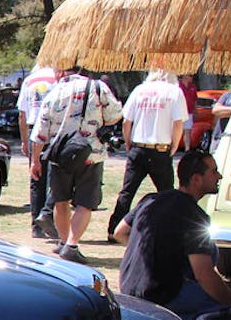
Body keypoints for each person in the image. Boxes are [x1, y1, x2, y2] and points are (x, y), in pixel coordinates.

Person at [115, 150, 231, 320]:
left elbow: (120, 232)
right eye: (214, 171)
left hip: (128, 287)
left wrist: (155, 251)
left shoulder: (151, 200)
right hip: (161, 295)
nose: (220, 176)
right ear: (196, 179)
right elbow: (204, 274)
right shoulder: (194, 215)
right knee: (224, 313)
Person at [29, 67, 123, 264]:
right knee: (85, 202)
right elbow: (115, 114)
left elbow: (40, 130)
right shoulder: (98, 87)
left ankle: (64, 242)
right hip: (90, 154)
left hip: (60, 153)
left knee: (60, 200)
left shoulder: (55, 91)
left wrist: (35, 160)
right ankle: (72, 244)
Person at [106, 70, 188, 242]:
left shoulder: (140, 90)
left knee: (127, 191)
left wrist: (128, 143)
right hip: (160, 148)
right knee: (166, 193)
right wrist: (174, 145)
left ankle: (114, 228)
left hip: (138, 147)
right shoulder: (174, 92)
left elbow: (127, 121)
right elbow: (178, 123)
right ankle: (170, 228)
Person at [17, 65, 58, 239]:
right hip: (54, 130)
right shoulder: (57, 78)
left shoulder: (29, 80)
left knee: (36, 178)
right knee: (57, 178)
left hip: (35, 130)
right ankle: (48, 216)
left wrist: (24, 140)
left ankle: (36, 226)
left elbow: (22, 115)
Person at [177, 74, 198, 152]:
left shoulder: (193, 87)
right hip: (178, 112)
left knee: (187, 131)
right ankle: (173, 148)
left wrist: (195, 111)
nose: (192, 77)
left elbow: (195, 100)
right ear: (185, 76)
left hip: (189, 112)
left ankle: (187, 149)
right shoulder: (177, 86)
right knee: (176, 131)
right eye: (190, 75)